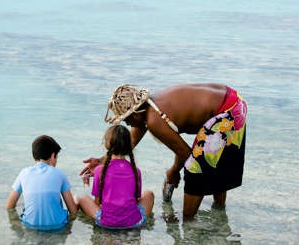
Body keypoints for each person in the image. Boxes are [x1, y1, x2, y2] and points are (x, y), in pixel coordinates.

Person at [81, 84, 247, 219]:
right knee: (214, 162)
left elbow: (186, 154)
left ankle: (188, 220)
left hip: (227, 112)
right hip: (233, 100)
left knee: (196, 168)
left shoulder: (154, 120)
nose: (128, 125)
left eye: (126, 120)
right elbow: (128, 143)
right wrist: (102, 160)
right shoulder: (150, 106)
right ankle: (219, 213)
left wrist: (173, 172)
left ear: (135, 113)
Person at [78, 125, 154, 229]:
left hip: (105, 222)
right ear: (128, 146)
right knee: (149, 194)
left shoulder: (99, 170)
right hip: (133, 222)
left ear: (106, 144)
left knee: (82, 198)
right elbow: (136, 201)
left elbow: (97, 203)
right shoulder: (136, 171)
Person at [7, 134, 78, 231]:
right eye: (57, 158)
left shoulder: (24, 173)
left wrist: (15, 223)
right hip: (58, 226)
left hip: (30, 226)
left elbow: (10, 206)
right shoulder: (60, 174)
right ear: (53, 156)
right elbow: (73, 211)